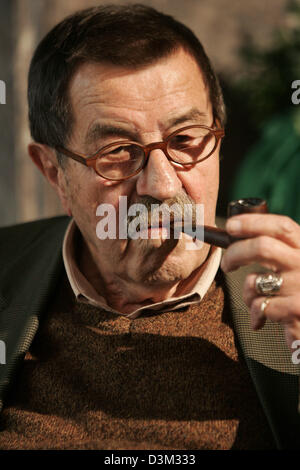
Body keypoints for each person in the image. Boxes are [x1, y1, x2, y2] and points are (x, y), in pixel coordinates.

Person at [0, 4, 300, 450]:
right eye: (118, 151)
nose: (161, 186)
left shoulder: (289, 294)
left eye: (184, 140)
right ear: (53, 172)